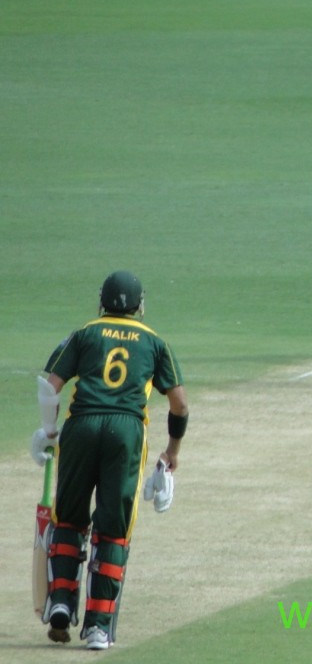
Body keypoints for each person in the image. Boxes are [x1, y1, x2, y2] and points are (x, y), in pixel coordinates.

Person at [29, 270, 189, 651]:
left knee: (68, 519)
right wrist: (171, 454)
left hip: (81, 426)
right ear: (140, 305)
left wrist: (49, 432)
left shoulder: (85, 332)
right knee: (113, 529)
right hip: (126, 432)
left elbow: (48, 386)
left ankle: (62, 603)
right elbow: (180, 404)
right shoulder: (155, 342)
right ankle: (98, 627)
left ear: (101, 301)